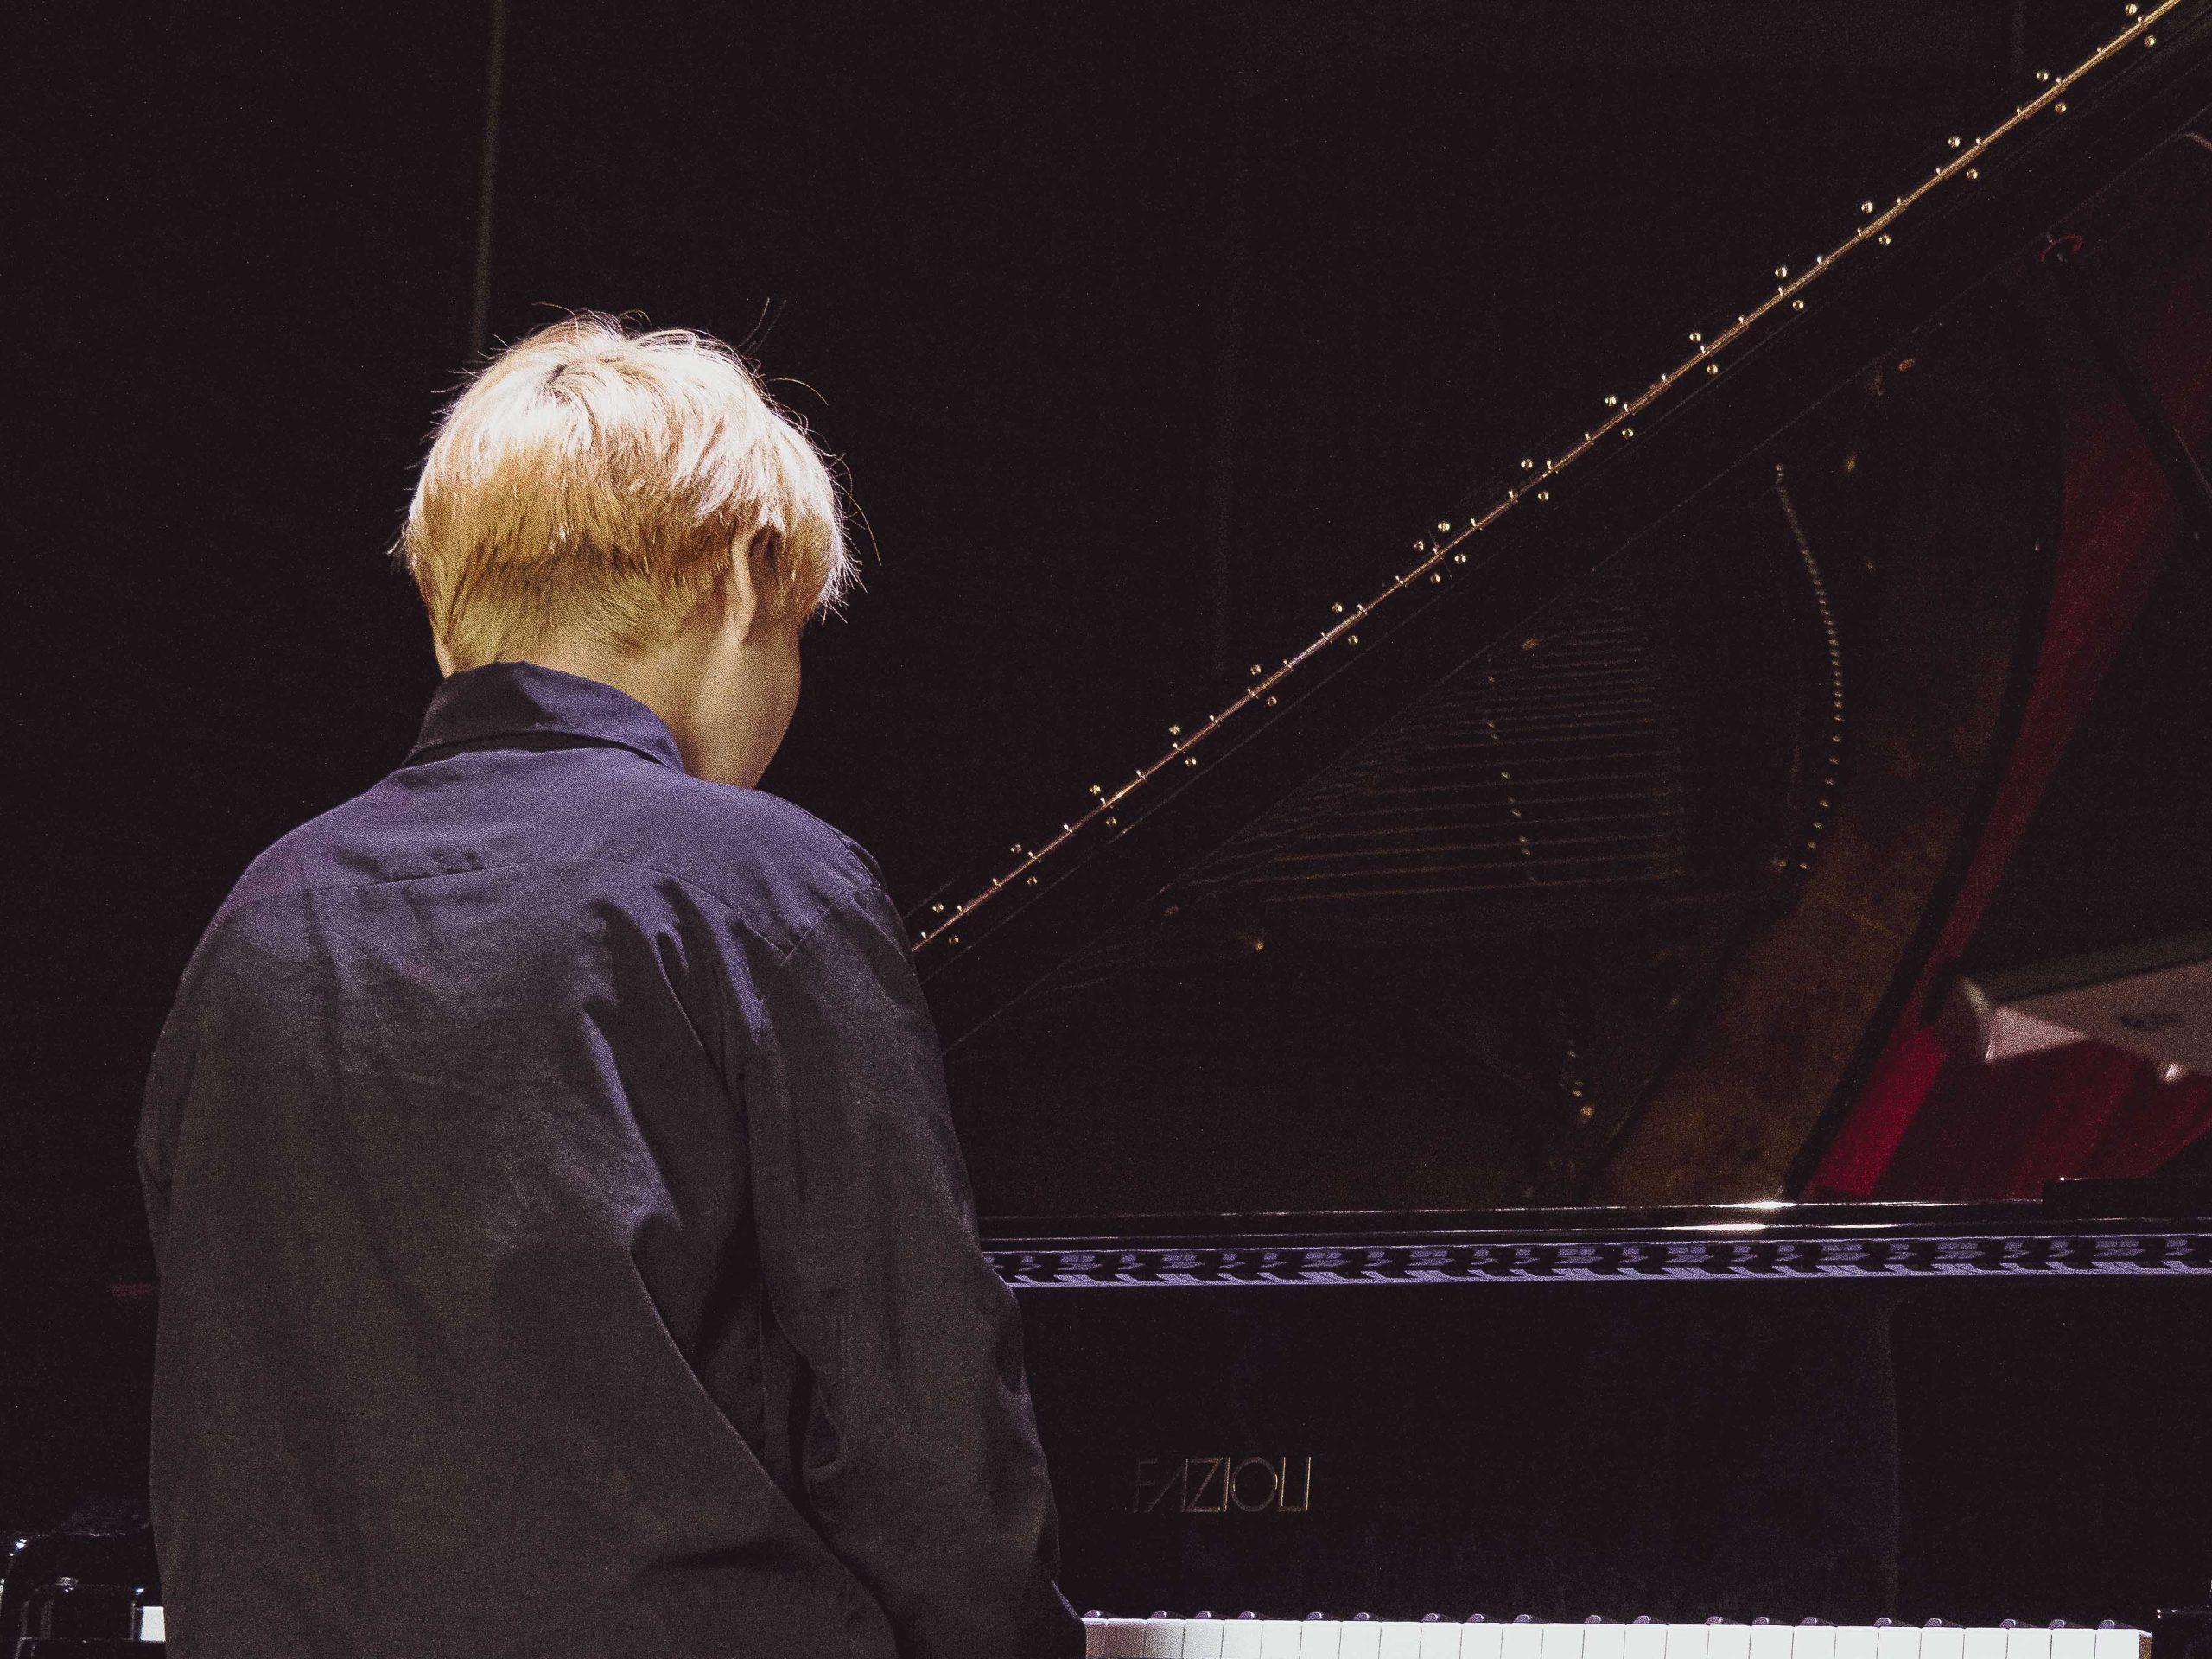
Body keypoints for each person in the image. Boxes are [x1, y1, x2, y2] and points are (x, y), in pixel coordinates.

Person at [136, 314, 1083, 1659]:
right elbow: (925, 1434)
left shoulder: (257, 919)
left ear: (448, 615)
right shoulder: (765, 884)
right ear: (749, 580)